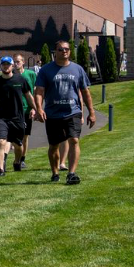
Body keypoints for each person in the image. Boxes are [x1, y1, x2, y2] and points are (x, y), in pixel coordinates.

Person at [34, 40, 96, 185]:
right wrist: (39, 108)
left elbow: (85, 92)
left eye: (67, 49)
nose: (64, 52)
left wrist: (91, 112)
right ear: (55, 52)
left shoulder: (77, 69)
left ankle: (71, 173)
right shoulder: (46, 70)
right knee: (54, 146)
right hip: (53, 114)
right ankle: (55, 172)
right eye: (61, 49)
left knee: (74, 140)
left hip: (72, 112)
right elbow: (39, 92)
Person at [0, 56, 32, 176]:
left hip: (17, 118)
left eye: (8, 64)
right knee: (1, 141)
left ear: (12, 66)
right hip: (2, 118)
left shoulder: (20, 80)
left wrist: (36, 110)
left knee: (18, 145)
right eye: (3, 64)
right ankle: (1, 169)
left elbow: (28, 96)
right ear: (0, 66)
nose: (6, 66)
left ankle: (17, 161)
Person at [14, 53, 38, 170]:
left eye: (18, 61)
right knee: (13, 136)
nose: (15, 63)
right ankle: (12, 159)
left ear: (23, 62)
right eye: (14, 61)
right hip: (14, 110)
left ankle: (22, 159)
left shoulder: (31, 74)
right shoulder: (11, 75)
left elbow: (35, 92)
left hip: (27, 109)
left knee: (25, 136)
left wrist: (34, 108)